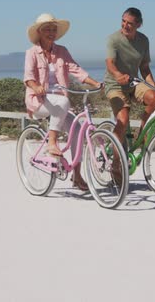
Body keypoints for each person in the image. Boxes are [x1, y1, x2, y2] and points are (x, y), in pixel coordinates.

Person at [23, 13, 101, 191]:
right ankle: (52, 143)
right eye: (47, 29)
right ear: (39, 32)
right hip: (39, 101)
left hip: (58, 104)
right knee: (64, 101)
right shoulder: (31, 53)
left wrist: (96, 83)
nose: (51, 32)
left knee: (78, 131)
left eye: (53, 29)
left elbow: (76, 69)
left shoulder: (62, 51)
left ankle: (77, 176)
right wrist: (35, 87)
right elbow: (28, 77)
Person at [104, 7, 155, 146]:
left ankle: (142, 133)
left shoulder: (143, 40)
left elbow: (144, 67)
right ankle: (117, 165)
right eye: (123, 21)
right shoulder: (113, 39)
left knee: (154, 98)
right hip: (115, 85)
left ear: (138, 25)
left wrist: (153, 85)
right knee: (123, 120)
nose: (125, 25)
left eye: (130, 23)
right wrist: (118, 75)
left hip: (132, 83)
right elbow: (110, 63)